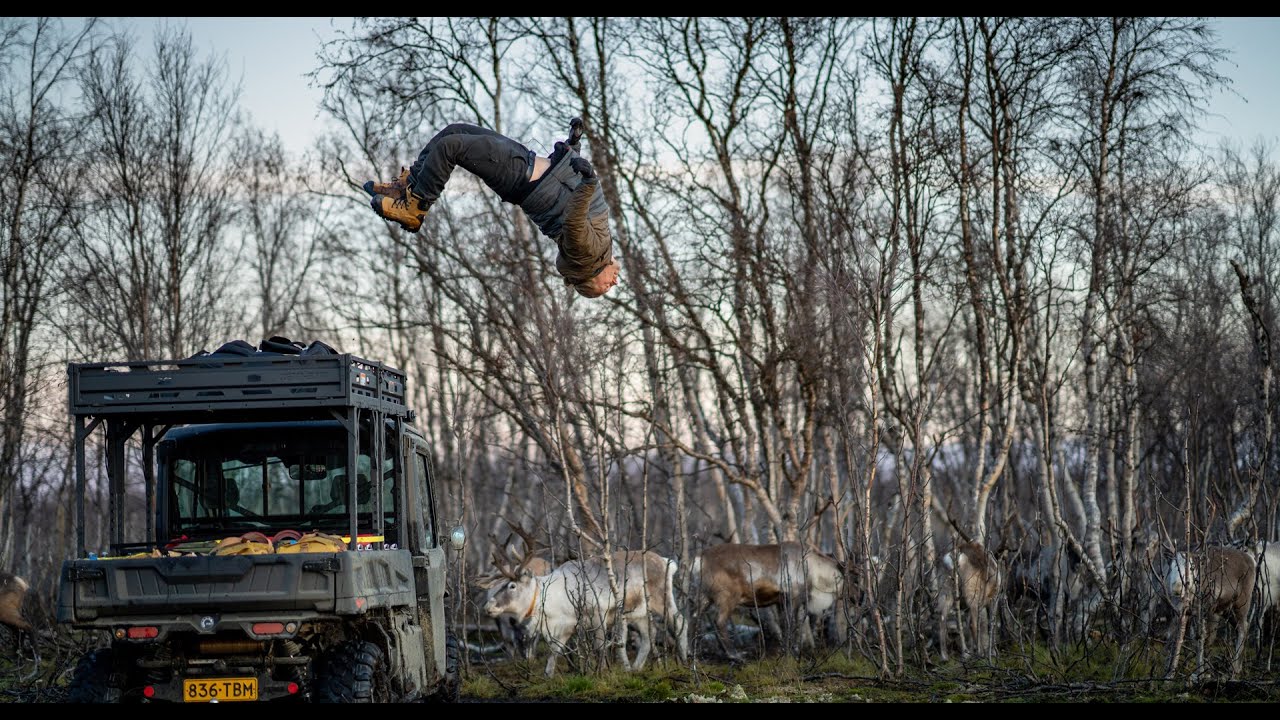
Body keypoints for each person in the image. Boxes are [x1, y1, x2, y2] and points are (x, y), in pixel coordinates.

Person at [364, 120, 620, 299]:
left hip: (522, 175)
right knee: (454, 131)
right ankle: (408, 186)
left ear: (591, 277)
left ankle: (415, 207)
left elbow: (574, 219)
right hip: (530, 167)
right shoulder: (596, 250)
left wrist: (588, 182)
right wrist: (573, 146)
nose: (615, 282)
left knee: (450, 147)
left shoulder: (588, 255)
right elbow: (569, 195)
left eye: (606, 287)